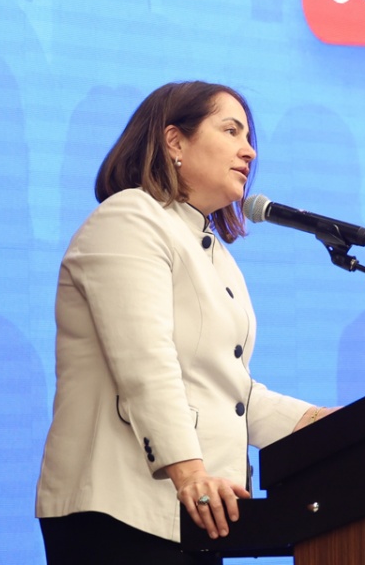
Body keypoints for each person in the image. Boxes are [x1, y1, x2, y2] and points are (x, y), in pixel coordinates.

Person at [35, 81, 333, 564]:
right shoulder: (129, 217)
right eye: (231, 131)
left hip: (197, 513)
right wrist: (190, 472)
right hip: (120, 510)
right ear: (174, 141)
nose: (249, 151)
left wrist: (323, 424)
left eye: (249, 137)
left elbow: (228, 392)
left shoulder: (213, 253)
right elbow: (144, 361)